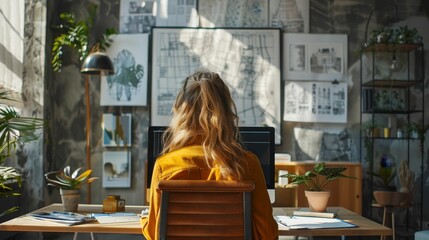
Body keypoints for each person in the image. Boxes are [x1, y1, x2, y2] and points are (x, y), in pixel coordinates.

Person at [140, 71, 278, 239]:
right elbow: (268, 234)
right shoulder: (248, 164)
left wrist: (144, 220)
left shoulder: (165, 166)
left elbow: (155, 234)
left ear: (181, 113)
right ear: (226, 114)